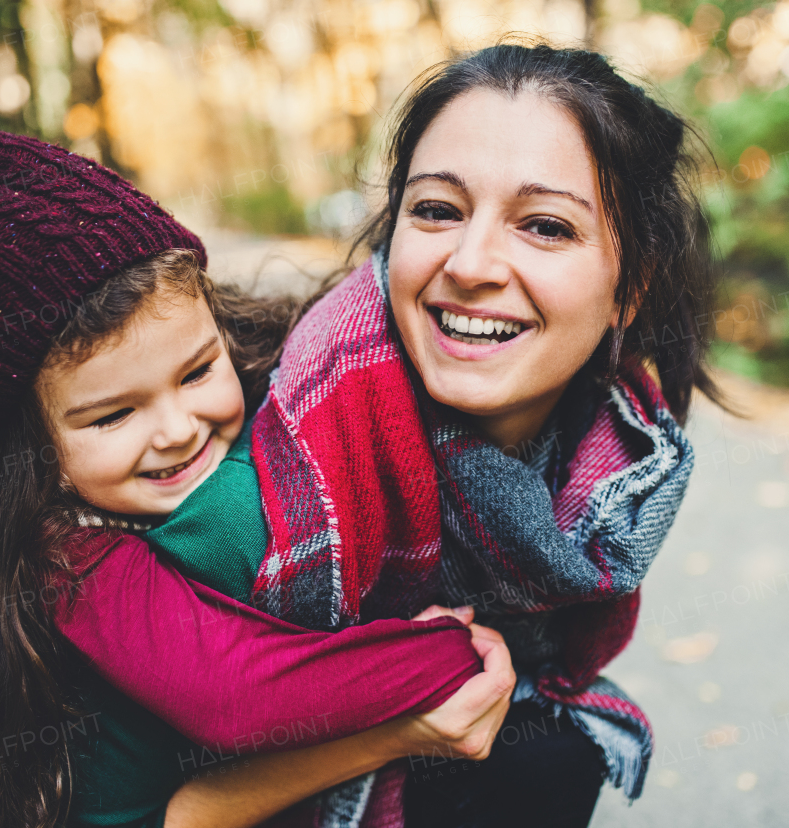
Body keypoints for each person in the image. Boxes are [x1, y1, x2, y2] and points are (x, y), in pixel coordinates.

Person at [67, 42, 721, 828]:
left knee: (552, 747)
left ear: (631, 289)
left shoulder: (617, 452)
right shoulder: (243, 499)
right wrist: (393, 724)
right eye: (438, 209)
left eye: (545, 226)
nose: (472, 264)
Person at [0, 131, 515, 828]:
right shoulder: (56, 559)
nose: (178, 429)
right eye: (113, 416)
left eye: (197, 371)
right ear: (19, 450)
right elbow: (236, 692)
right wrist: (438, 663)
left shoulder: (261, 418)